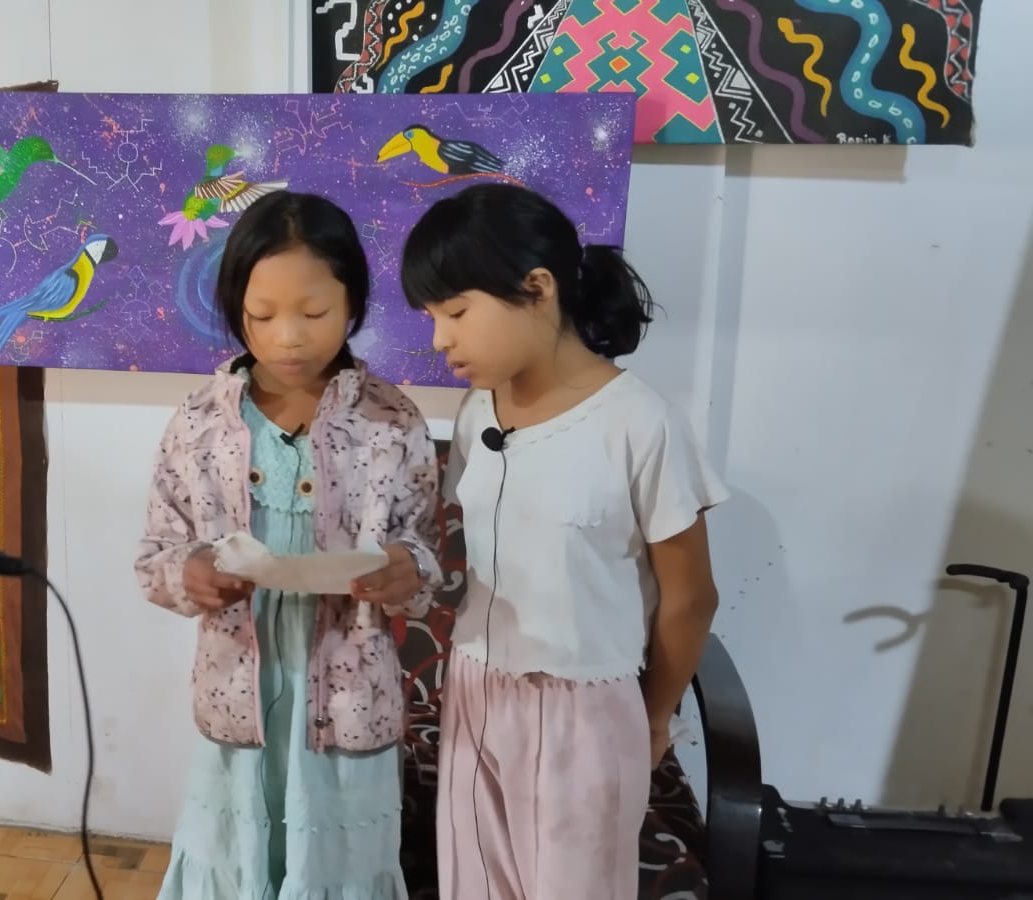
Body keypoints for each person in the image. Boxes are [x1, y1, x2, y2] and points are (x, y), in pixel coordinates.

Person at [400, 183, 728, 900]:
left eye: (456, 312)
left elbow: (691, 597)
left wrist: (653, 719)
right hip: (475, 688)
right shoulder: (477, 410)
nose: (440, 339)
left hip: (585, 708)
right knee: (473, 885)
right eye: (432, 318)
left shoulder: (640, 424)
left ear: (538, 288)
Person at [138, 191, 441, 900]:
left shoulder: (391, 420)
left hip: (349, 693)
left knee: (335, 864)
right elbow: (155, 556)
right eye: (263, 314)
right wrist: (190, 573)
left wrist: (407, 570)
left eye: (314, 313)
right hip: (238, 688)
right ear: (234, 307)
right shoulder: (198, 423)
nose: (289, 338)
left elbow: (424, 554)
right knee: (234, 860)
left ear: (353, 304)